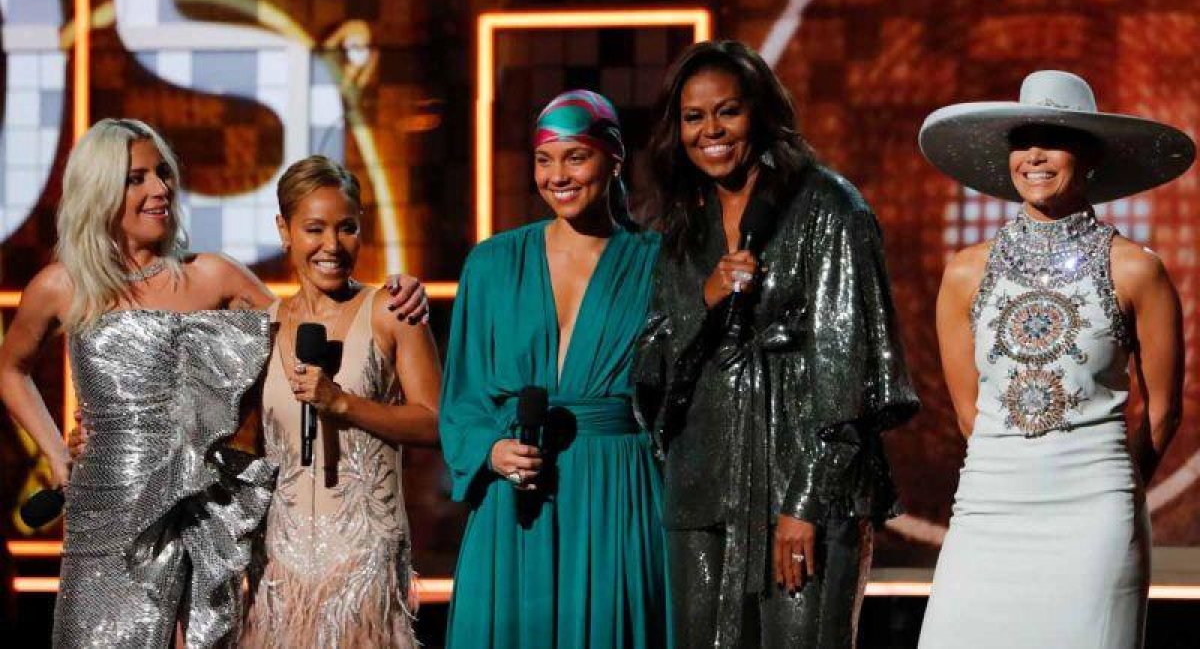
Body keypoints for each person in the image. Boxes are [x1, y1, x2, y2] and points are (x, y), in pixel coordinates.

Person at [0, 118, 427, 647]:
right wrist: (58, 456)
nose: (160, 188)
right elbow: (10, 369)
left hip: (200, 512)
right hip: (106, 516)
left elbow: (304, 317)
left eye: (162, 173)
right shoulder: (62, 286)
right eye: (137, 178)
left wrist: (390, 293)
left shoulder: (211, 276)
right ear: (100, 187)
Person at [634, 40, 919, 648]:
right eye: (693, 117)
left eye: (727, 112)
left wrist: (806, 502)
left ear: (760, 113)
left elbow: (849, 370)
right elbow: (653, 362)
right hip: (704, 490)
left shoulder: (830, 208)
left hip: (801, 490)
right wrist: (704, 300)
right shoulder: (684, 223)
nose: (710, 130)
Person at [917, 70, 1191, 649]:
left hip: (1095, 519)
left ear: (1090, 157)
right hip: (988, 514)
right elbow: (970, 414)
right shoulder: (965, 272)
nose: (1035, 156)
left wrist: (1108, 486)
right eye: (1024, 140)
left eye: (1054, 139)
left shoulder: (1137, 269)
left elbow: (1163, 412)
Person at [441, 90, 671, 648]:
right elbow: (463, 396)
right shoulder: (492, 262)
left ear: (614, 158)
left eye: (575, 156)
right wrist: (491, 450)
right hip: (513, 500)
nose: (557, 175)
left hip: (618, 492)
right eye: (545, 159)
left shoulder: (658, 261)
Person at [240, 156, 441, 647]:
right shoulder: (258, 327)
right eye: (314, 229)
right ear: (284, 231)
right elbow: (240, 444)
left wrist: (344, 404)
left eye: (346, 228)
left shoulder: (392, 312)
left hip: (363, 561)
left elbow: (436, 423)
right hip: (281, 569)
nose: (332, 246)